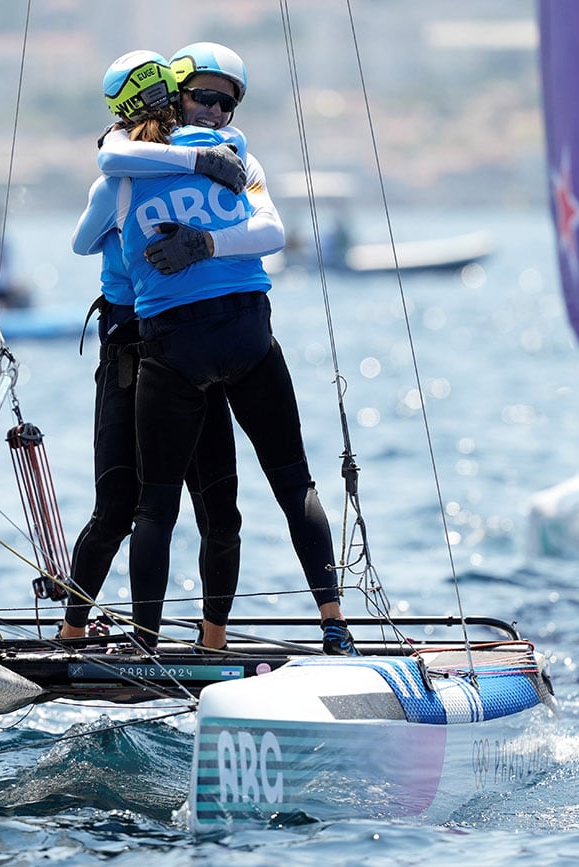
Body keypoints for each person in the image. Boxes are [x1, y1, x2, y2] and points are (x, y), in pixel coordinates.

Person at [87, 42, 358, 655]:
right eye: (202, 96)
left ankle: (332, 623)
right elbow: (114, 153)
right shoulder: (144, 159)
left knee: (270, 489)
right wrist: (198, 166)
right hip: (211, 342)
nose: (213, 111)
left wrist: (204, 245)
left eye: (226, 103)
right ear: (172, 94)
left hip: (203, 344)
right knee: (188, 508)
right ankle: (169, 642)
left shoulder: (235, 156)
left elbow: (274, 231)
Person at [61, 51, 251, 651]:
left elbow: (83, 244)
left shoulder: (126, 176)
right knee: (200, 504)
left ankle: (77, 630)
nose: (212, 111)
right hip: (156, 344)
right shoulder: (153, 168)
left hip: (152, 343)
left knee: (123, 503)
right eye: (199, 100)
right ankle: (205, 638)